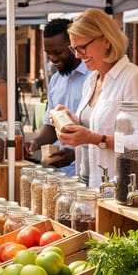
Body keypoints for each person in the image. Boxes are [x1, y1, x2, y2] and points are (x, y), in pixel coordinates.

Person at [54, 9, 138, 188]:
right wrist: (72, 122)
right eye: (74, 49)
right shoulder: (91, 80)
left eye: (82, 47)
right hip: (88, 183)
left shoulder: (135, 79)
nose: (78, 55)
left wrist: (96, 139)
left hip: (119, 189)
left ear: (106, 41)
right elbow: (96, 125)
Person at [24, 19, 89, 175]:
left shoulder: (93, 77)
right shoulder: (55, 80)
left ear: (73, 45)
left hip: (86, 170)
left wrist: (74, 154)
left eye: (58, 52)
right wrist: (35, 142)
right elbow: (51, 125)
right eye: (48, 54)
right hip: (59, 172)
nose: (52, 59)